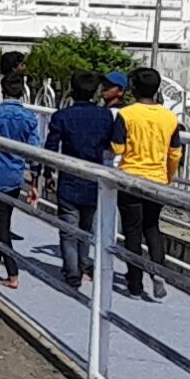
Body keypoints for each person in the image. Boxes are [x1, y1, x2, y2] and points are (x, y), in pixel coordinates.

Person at [107, 65, 184, 299]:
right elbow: (175, 153)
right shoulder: (170, 118)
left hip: (130, 178)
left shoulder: (127, 114)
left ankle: (135, 283)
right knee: (152, 227)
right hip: (157, 180)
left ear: (133, 88)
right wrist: (167, 176)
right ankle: (158, 272)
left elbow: (117, 147)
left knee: (132, 231)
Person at [42, 71, 117, 292]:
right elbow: (110, 146)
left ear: (72, 90)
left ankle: (72, 271)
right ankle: (84, 264)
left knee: (68, 227)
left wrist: (48, 174)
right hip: (94, 179)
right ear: (95, 92)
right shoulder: (105, 117)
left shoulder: (62, 116)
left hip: (69, 179)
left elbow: (51, 148)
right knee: (87, 226)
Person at [0, 71, 43, 288]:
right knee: (4, 218)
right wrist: (35, 181)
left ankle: (12, 272)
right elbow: (35, 151)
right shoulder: (29, 118)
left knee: (2, 225)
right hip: (16, 177)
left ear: (2, 91)